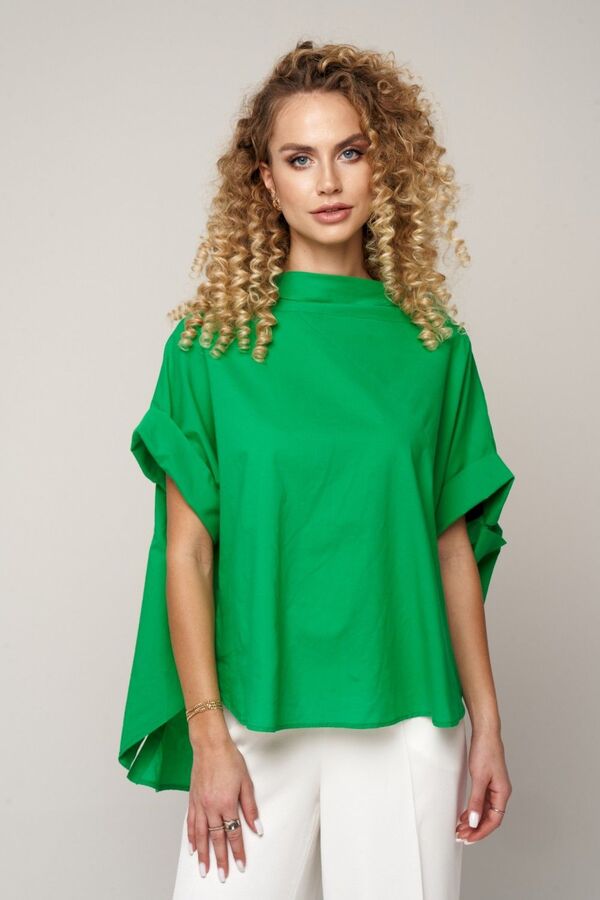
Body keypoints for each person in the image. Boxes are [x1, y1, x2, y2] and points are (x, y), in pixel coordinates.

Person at [118, 39, 516, 899]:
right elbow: (186, 554)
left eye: (351, 152)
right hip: (252, 710)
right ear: (266, 181)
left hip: (407, 710)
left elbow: (450, 549)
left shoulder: (434, 348)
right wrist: (208, 735)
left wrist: (487, 723)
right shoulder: (210, 347)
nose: (328, 182)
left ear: (385, 165)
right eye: (300, 159)